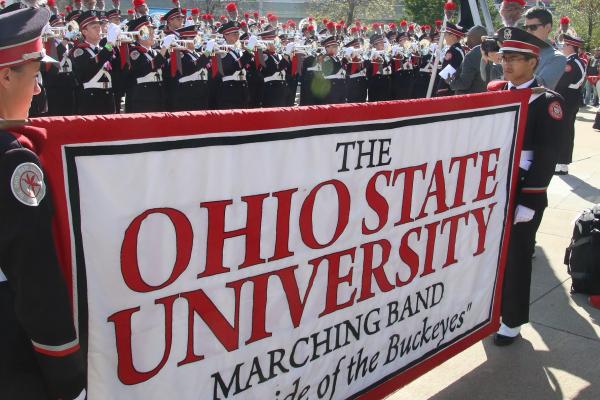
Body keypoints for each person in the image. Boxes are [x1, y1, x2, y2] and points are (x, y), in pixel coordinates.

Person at [0, 6, 86, 399]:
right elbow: (34, 275)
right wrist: (64, 366)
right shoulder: (13, 159)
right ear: (5, 76)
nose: (37, 90)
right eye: (34, 76)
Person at [487, 27, 565, 346]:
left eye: (515, 59)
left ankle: (512, 320)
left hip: (523, 186)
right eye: (504, 57)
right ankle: (488, 309)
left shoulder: (547, 102)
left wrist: (530, 200)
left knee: (518, 255)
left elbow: (547, 155)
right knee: (489, 252)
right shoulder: (494, 90)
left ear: (533, 62)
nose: (507, 64)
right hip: (493, 183)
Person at [70, 10, 118, 114]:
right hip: (91, 100)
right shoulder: (79, 50)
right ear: (84, 32)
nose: (99, 29)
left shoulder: (103, 50)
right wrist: (109, 44)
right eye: (94, 27)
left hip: (108, 96)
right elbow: (89, 69)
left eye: (99, 26)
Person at [554, 35, 586, 175]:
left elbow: (561, 83)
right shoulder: (575, 61)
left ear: (570, 47)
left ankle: (562, 163)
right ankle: (561, 162)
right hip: (570, 99)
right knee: (565, 130)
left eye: (564, 45)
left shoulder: (572, 63)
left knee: (564, 131)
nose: (563, 47)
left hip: (567, 99)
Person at [123, 16, 169, 113]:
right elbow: (146, 68)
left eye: (153, 32)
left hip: (157, 100)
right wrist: (164, 48)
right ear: (140, 35)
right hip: (141, 102)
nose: (153, 35)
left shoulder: (155, 53)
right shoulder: (133, 52)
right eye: (149, 32)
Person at [522, 7, 566, 90]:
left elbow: (540, 87)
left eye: (533, 27)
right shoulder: (521, 51)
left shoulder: (557, 58)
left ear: (548, 28)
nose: (528, 31)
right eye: (525, 28)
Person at [449, 25, 487, 94]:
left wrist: (449, 79)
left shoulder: (471, 55)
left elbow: (464, 84)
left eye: (468, 37)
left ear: (473, 38)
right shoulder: (491, 52)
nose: (467, 41)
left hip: (470, 100)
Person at [436, 23, 466, 96]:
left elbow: (447, 74)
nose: (444, 38)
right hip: (454, 86)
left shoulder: (452, 51)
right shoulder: (459, 49)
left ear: (453, 37)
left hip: (447, 89)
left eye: (446, 35)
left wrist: (442, 88)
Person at [366, 33, 391, 102]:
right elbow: (369, 71)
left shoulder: (385, 54)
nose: (383, 44)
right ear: (375, 45)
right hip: (376, 83)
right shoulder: (371, 55)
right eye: (380, 43)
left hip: (386, 82)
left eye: (383, 42)